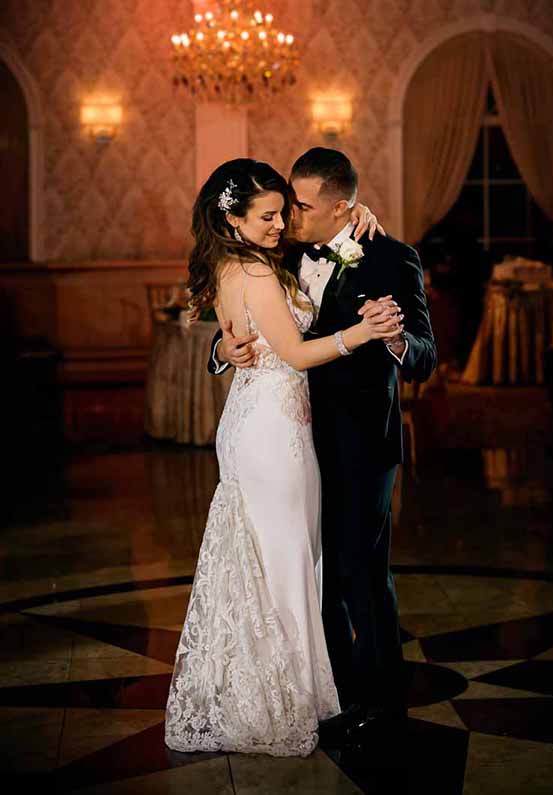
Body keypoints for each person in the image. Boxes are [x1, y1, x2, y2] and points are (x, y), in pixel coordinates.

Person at [164, 157, 400, 758]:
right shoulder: (258, 267)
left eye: (286, 212)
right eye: (268, 215)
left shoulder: (251, 258)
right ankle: (286, 699)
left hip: (286, 426)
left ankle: (296, 689)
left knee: (283, 560)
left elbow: (250, 331)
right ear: (234, 217)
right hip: (273, 429)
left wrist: (357, 216)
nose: (282, 223)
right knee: (286, 559)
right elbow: (291, 351)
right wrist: (361, 334)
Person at [210, 148, 437, 751]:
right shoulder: (280, 247)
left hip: (361, 445)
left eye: (302, 206)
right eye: (285, 205)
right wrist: (221, 350)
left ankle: (383, 701)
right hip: (291, 440)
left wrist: (389, 339)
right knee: (313, 573)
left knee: (361, 573)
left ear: (343, 208)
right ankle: (329, 693)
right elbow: (248, 312)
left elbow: (424, 353)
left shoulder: (392, 257)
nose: (288, 218)